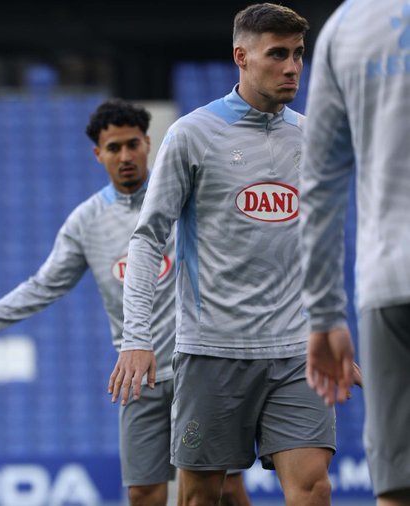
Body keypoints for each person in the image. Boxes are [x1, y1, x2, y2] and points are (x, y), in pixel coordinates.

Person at [0, 99, 250, 506]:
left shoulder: (187, 199)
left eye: (132, 144)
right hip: (138, 376)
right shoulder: (87, 221)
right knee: (143, 493)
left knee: (225, 488)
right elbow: (43, 286)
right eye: (114, 148)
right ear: (98, 154)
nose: (125, 156)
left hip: (199, 367)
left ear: (148, 144)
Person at [111, 4, 336, 505]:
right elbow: (148, 239)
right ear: (241, 57)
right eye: (277, 54)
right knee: (200, 497)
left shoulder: (311, 136)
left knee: (314, 486)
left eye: (298, 54)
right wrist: (137, 338)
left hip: (295, 352)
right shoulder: (192, 134)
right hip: (213, 351)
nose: (292, 67)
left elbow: (320, 241)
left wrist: (330, 326)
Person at [300, 0, 410, 504]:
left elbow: (320, 185)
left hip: (388, 281)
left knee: (397, 484)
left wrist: (324, 314)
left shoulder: (345, 26)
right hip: (385, 283)